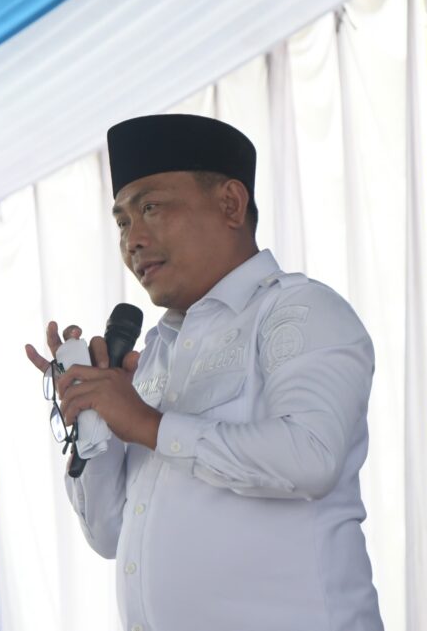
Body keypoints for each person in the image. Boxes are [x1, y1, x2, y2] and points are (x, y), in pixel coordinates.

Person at [25, 114, 383, 631]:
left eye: (150, 208)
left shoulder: (299, 310)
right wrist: (93, 420)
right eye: (122, 222)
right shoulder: (154, 357)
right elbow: (109, 534)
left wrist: (147, 424)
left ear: (230, 204)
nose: (133, 240)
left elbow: (311, 457)